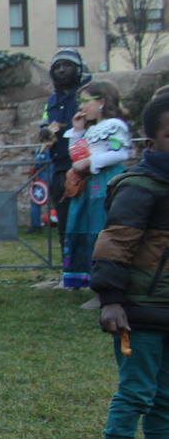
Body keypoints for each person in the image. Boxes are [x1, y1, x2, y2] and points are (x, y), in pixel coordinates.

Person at [90, 93, 169, 439]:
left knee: (166, 394)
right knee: (136, 390)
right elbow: (114, 244)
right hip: (136, 311)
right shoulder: (140, 187)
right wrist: (111, 300)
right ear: (152, 143)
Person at [61, 80, 131, 290]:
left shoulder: (115, 126)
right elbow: (77, 156)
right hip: (87, 186)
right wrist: (77, 131)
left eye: (85, 101)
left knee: (99, 228)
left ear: (101, 101)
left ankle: (105, 283)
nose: (81, 107)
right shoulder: (91, 129)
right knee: (83, 225)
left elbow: (121, 152)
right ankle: (84, 278)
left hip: (104, 182)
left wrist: (92, 162)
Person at [41, 49, 87, 245]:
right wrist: (44, 132)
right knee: (64, 220)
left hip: (83, 165)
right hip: (58, 165)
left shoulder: (86, 95)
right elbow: (45, 122)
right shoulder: (52, 100)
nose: (61, 70)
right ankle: (68, 267)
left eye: (67, 65)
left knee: (84, 221)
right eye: (57, 67)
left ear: (78, 69)